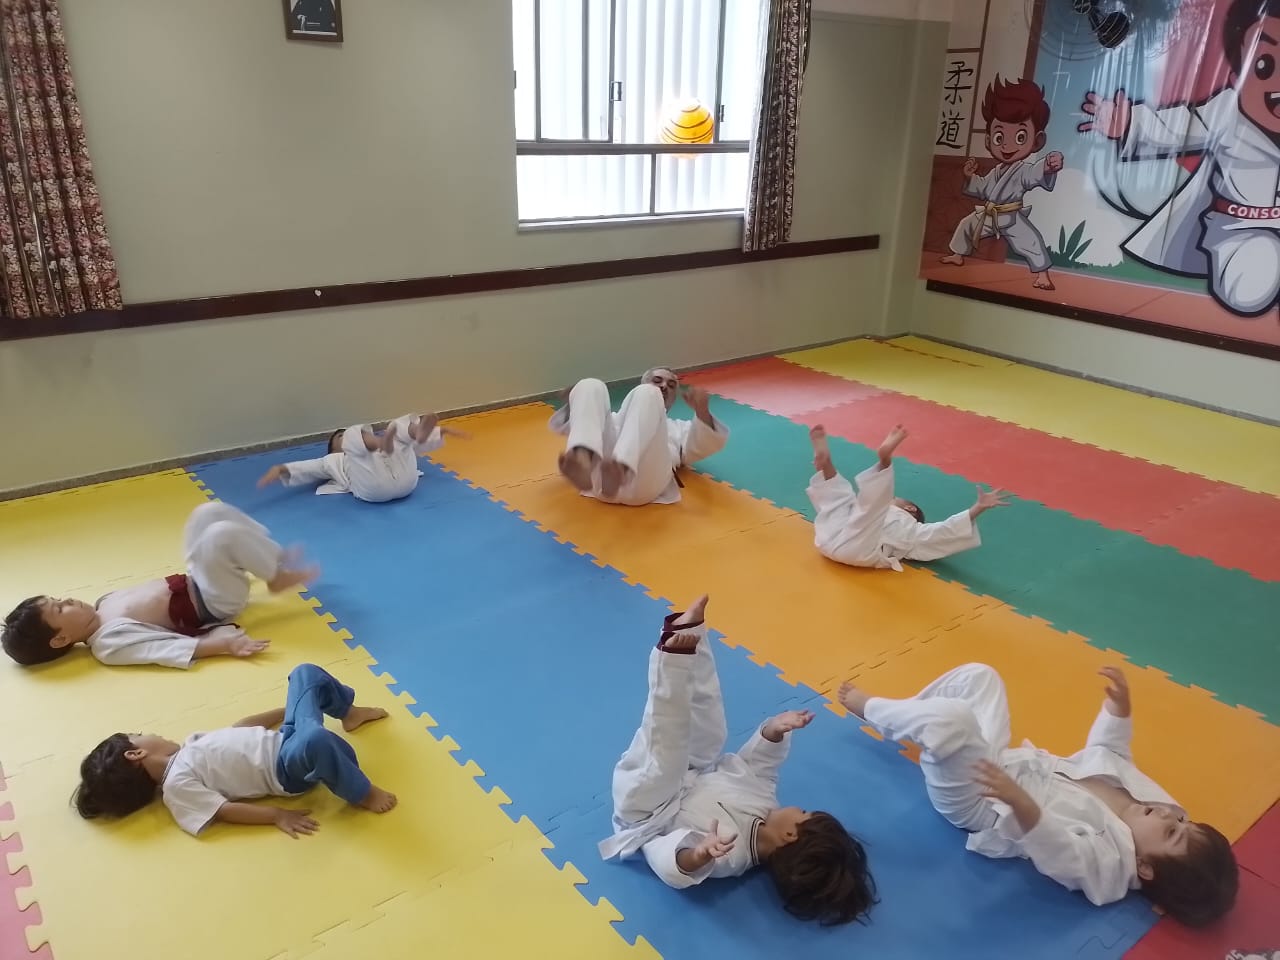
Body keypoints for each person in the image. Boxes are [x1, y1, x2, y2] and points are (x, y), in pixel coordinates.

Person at [839, 663, 1238, 926]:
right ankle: (904, 716)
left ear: (1146, 868)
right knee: (981, 677)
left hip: (982, 801)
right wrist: (1119, 710)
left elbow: (1060, 852)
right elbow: (1110, 753)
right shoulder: (1149, 806)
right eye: (1183, 822)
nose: (1169, 817)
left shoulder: (1108, 868)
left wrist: (1020, 802)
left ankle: (873, 709)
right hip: (1005, 763)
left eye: (1172, 833)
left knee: (952, 721)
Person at [599, 594, 877, 925]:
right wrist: (774, 731)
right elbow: (759, 767)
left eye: (803, 813)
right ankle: (690, 634)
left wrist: (697, 855)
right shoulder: (765, 801)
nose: (798, 808)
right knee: (713, 731)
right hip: (693, 769)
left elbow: (666, 861)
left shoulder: (730, 856)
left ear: (790, 835)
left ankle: (672, 659)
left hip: (647, 807)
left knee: (667, 747)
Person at [1079, 0, 1280, 317]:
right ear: (1236, 79)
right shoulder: (1228, 113)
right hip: (1240, 229)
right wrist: (1130, 123)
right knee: (1250, 285)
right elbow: (1181, 126)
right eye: (1264, 66)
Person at [73, 662, 395, 837]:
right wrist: (276, 816)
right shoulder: (176, 787)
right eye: (141, 735)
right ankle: (362, 793)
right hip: (288, 768)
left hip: (287, 735)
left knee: (305, 673)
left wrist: (288, 710)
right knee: (316, 739)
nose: (151, 733)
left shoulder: (190, 745)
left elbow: (240, 729)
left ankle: (349, 712)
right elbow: (222, 810)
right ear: (135, 754)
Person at [2, 502, 314, 669]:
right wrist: (222, 644)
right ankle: (274, 578)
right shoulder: (107, 644)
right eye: (59, 609)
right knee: (220, 535)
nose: (67, 600)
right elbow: (161, 649)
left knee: (208, 513)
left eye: (58, 598)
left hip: (197, 580)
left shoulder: (102, 603)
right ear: (60, 639)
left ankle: (271, 556)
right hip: (214, 601)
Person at [805, 424, 1008, 571]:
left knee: (865, 507)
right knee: (843, 503)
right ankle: (827, 464)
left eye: (895, 499)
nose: (893, 499)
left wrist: (977, 508)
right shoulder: (909, 530)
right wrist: (978, 507)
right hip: (833, 540)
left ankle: (882, 462)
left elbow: (944, 530)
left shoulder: (913, 529)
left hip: (852, 546)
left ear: (910, 509)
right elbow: (945, 531)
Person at [941, 75, 1064, 290]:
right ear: (989, 140)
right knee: (966, 225)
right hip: (990, 215)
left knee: (1031, 241)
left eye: (1020, 137)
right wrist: (970, 176)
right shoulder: (997, 171)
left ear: (1037, 141)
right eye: (999, 137)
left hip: (1011, 216)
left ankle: (1042, 275)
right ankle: (957, 255)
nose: (1006, 146)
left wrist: (1048, 166)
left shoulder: (1023, 170)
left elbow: (1034, 173)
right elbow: (983, 188)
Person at [550, 368, 728, 506]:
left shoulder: (678, 428)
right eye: (657, 381)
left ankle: (622, 469)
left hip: (645, 484)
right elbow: (581, 426)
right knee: (590, 385)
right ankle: (582, 460)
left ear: (675, 396)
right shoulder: (612, 419)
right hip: (599, 482)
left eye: (672, 385)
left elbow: (702, 444)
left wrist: (702, 411)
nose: (664, 386)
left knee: (650, 393)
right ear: (639, 386)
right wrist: (577, 400)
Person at [258, 412, 468, 503]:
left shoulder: (380, 445)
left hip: (406, 481)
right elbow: (309, 467)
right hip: (373, 488)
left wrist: (441, 432)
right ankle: (382, 443)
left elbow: (411, 451)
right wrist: (281, 469)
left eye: (342, 436)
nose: (343, 438)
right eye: (339, 438)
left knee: (397, 429)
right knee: (355, 433)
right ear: (334, 450)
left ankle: (419, 432)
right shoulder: (334, 460)